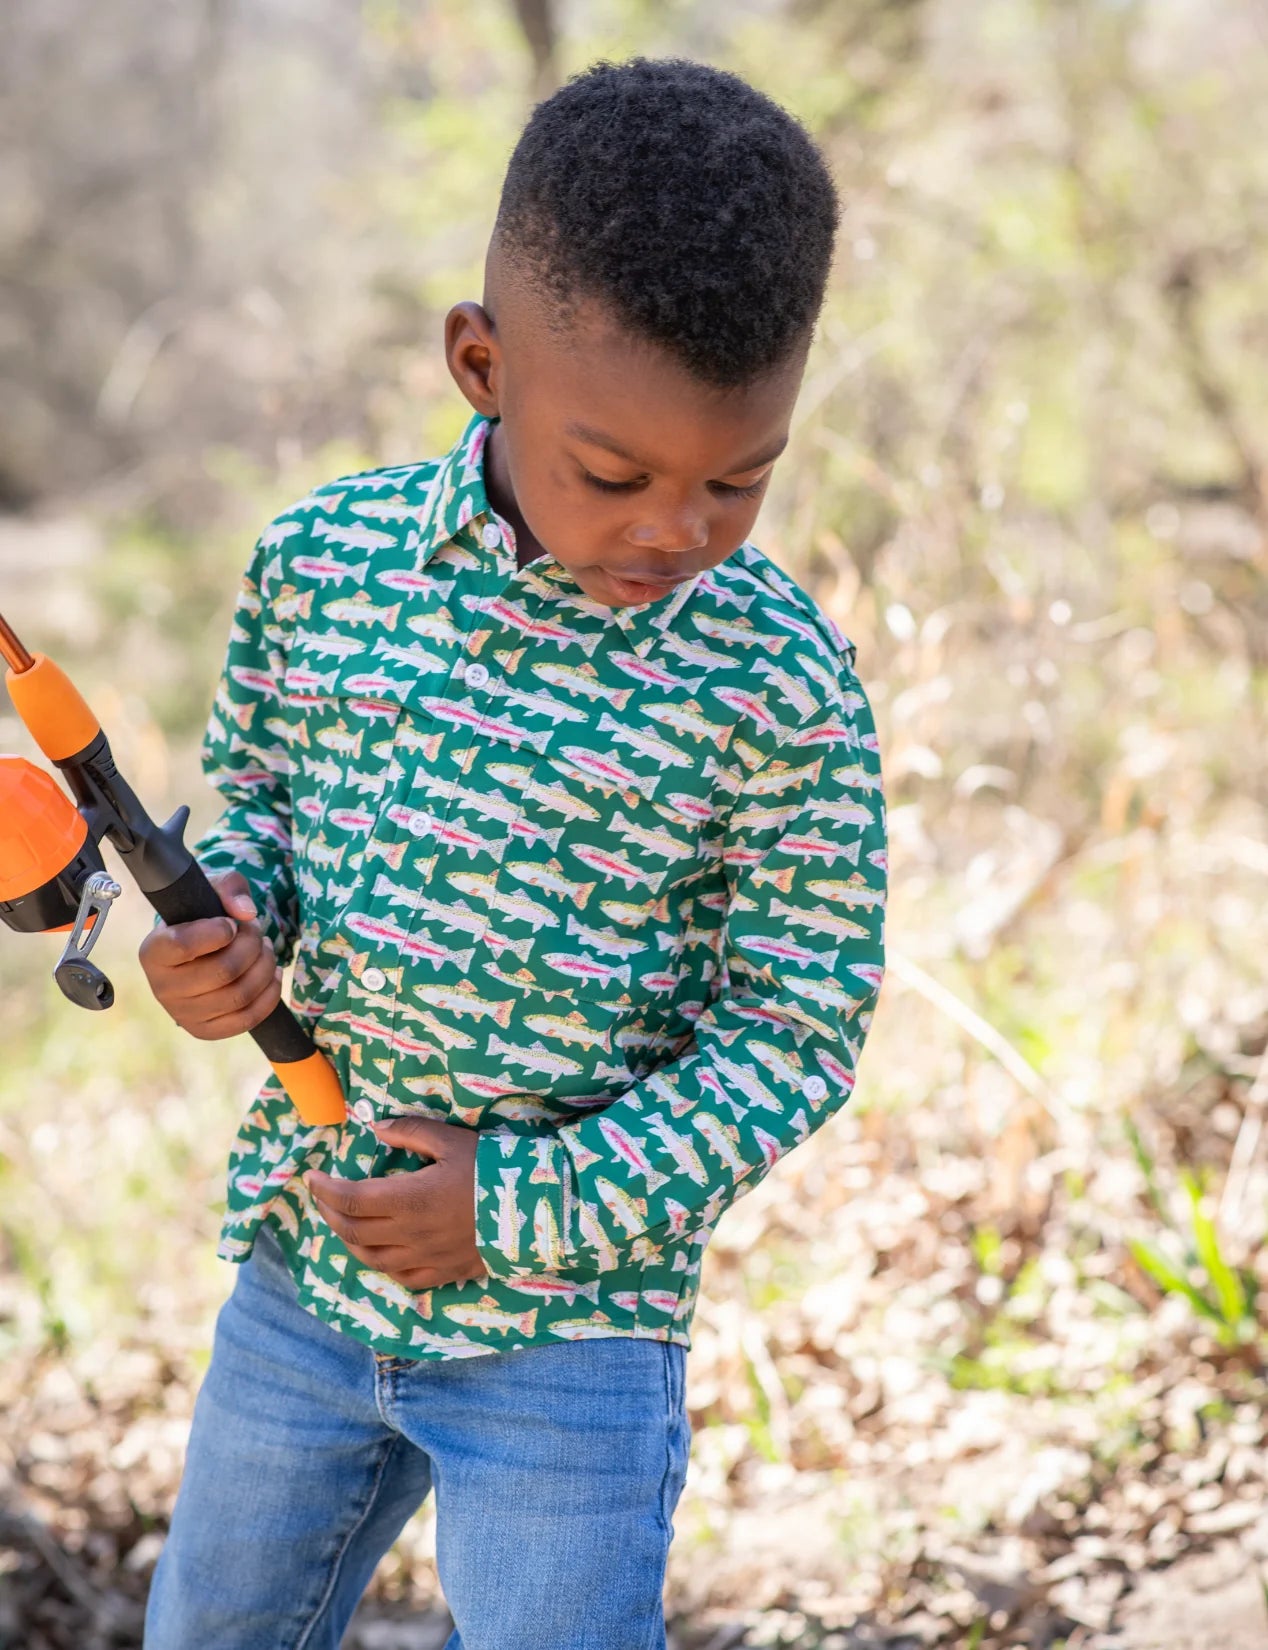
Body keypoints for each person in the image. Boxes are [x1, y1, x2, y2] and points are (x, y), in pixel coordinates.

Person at [138, 54, 887, 1650]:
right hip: (310, 1268)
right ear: (482, 363)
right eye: (613, 473)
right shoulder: (325, 563)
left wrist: (525, 1206)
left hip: (576, 1337)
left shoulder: (779, 685)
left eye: (737, 480)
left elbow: (798, 1029)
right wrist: (231, 930)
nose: (671, 532)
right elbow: (260, 797)